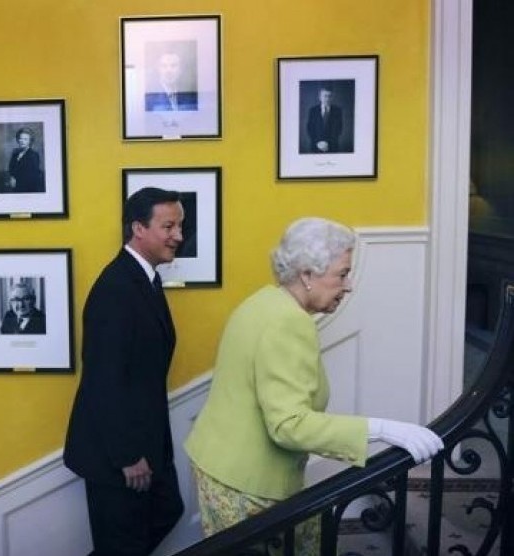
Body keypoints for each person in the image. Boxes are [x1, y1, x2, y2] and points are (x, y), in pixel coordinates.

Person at [184, 217, 444, 553]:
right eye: (342, 274)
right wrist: (381, 429)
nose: (348, 285)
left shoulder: (266, 301)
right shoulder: (287, 322)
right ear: (307, 274)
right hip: (245, 483)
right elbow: (289, 426)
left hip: (222, 466)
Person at [64, 187, 185, 556]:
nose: (178, 236)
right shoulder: (116, 288)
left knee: (167, 510)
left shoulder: (143, 278)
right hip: (115, 456)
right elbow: (104, 381)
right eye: (169, 226)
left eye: (179, 226)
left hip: (144, 443)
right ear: (138, 228)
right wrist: (127, 457)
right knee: (122, 547)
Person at [306, 85, 343, 153]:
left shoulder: (337, 111)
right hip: (316, 146)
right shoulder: (313, 110)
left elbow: (338, 129)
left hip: (332, 147)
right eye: (325, 96)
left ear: (332, 97)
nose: (327, 98)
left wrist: (327, 144)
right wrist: (318, 143)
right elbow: (310, 128)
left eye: (329, 96)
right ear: (320, 97)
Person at [6, 127, 44, 193]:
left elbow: (32, 176)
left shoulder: (33, 155)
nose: (22, 141)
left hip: (28, 189)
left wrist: (16, 180)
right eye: (20, 138)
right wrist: (12, 177)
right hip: (15, 188)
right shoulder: (15, 153)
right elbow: (11, 168)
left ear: (30, 141)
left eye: (25, 139)